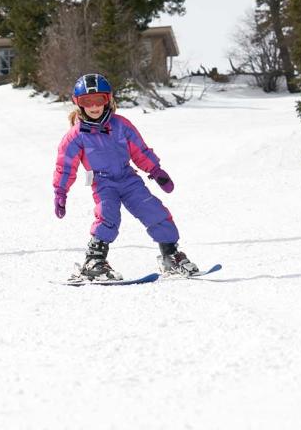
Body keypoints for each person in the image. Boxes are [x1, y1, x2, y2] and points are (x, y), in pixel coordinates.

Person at [52, 73, 198, 280]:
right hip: (102, 183)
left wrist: (156, 171)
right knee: (108, 215)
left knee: (154, 211)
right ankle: (94, 261)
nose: (94, 106)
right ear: (78, 104)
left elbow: (140, 151)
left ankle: (170, 256)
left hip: (128, 179)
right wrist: (61, 192)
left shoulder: (121, 125)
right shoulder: (76, 136)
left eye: (99, 100)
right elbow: (65, 167)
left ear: (108, 100)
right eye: (87, 101)